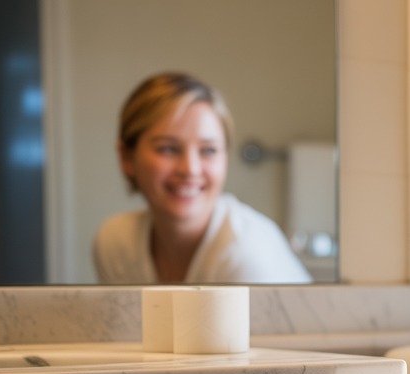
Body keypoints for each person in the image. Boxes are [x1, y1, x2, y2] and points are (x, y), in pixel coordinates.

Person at [93, 72, 312, 284]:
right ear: (126, 157)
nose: (190, 169)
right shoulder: (115, 243)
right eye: (168, 149)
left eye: (208, 150)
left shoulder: (247, 255)